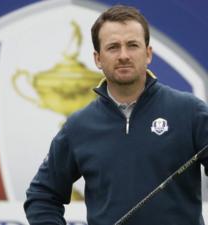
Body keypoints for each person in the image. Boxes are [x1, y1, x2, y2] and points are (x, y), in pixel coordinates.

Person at [24, 5, 208, 225]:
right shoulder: (79, 126)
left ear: (148, 54)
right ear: (97, 58)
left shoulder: (189, 111)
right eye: (113, 47)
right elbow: (41, 197)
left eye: (132, 45)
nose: (123, 55)